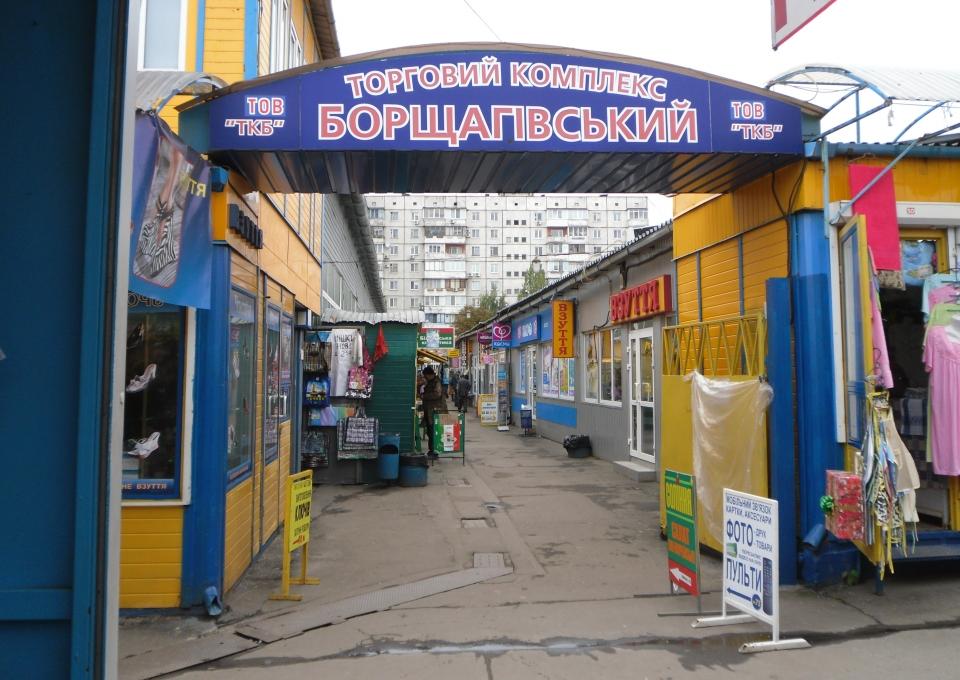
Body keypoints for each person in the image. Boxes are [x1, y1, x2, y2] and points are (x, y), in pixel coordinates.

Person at [420, 366, 447, 457]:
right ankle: (432, 450)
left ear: (429, 374)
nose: (425, 377)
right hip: (430, 411)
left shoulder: (436, 382)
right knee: (430, 431)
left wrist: (425, 396)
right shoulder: (431, 381)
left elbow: (437, 394)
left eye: (425, 376)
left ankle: (434, 451)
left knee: (433, 432)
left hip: (435, 412)